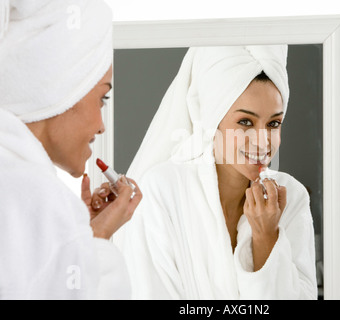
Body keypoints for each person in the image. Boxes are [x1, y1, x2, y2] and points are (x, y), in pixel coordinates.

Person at [115, 46, 317, 299]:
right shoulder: (162, 191)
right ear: (212, 120)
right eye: (245, 122)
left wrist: (266, 237)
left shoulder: (292, 197)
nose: (263, 142)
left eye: (273, 123)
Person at [0, 0, 142, 299]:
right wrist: (94, 241)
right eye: (102, 98)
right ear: (64, 89)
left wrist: (79, 237)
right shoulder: (34, 196)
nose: (102, 126)